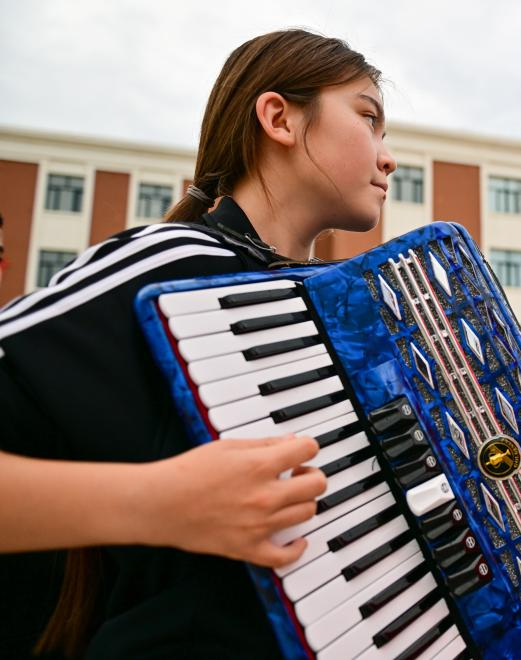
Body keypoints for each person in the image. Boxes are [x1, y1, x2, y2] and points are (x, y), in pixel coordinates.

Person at [0, 29, 395, 658]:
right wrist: (159, 502)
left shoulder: (349, 310)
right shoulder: (168, 264)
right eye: (369, 118)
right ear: (280, 119)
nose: (387, 157)